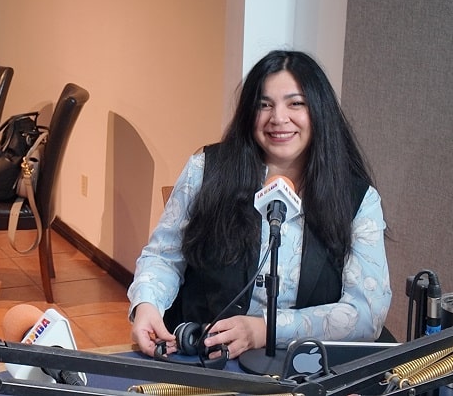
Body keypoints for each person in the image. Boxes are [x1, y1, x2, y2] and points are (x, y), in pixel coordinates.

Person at [128, 50, 391, 361]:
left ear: (320, 110)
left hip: (300, 368)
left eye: (296, 104)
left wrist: (266, 329)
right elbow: (164, 256)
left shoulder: (358, 199)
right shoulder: (206, 170)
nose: (278, 118)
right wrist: (146, 305)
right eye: (264, 105)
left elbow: (367, 313)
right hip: (204, 362)